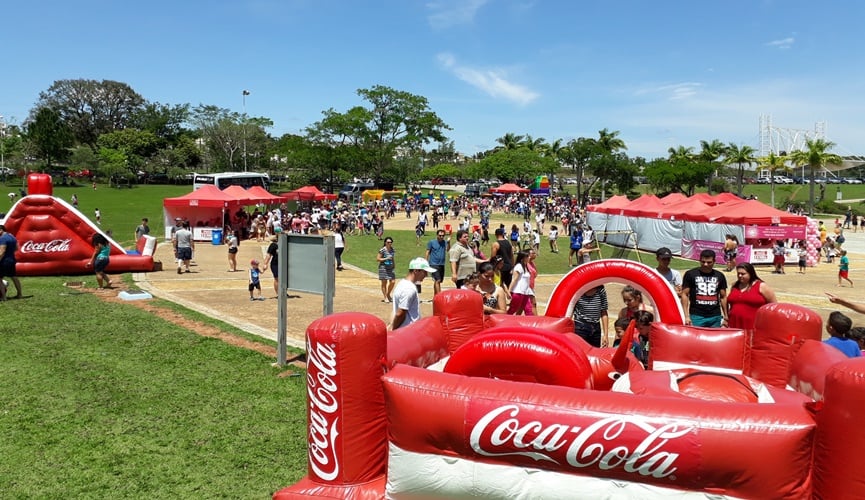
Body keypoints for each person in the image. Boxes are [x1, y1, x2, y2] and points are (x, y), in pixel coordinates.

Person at [681, 249, 728, 327]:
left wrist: (726, 316)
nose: (705, 264)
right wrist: (686, 316)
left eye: (709, 262)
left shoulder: (720, 276)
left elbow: (723, 297)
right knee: (695, 338)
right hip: (696, 315)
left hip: (715, 316)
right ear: (699, 260)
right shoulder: (690, 274)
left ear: (714, 261)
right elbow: (684, 294)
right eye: (703, 262)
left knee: (714, 338)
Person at [727, 262, 777, 330]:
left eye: (743, 274)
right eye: (738, 273)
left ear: (750, 273)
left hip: (754, 325)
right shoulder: (734, 285)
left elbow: (774, 305)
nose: (740, 276)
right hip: (734, 323)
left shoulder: (761, 286)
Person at [391, 257, 436, 330]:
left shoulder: (401, 284)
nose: (426, 275)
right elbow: (400, 313)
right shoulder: (409, 289)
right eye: (424, 272)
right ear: (416, 271)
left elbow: (396, 311)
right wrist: (393, 328)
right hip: (408, 332)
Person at [507, 250, 534, 315]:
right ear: (523, 258)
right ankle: (504, 321)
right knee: (513, 309)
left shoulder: (526, 267)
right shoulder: (519, 266)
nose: (529, 257)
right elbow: (514, 280)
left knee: (529, 310)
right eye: (527, 256)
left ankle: (530, 324)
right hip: (518, 292)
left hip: (525, 292)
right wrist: (509, 291)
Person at [425, 229, 450, 296]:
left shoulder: (444, 242)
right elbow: (427, 252)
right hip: (433, 264)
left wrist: (448, 242)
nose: (441, 237)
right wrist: (425, 262)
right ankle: (439, 297)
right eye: (440, 235)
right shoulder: (432, 242)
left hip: (442, 264)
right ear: (437, 235)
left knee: (437, 281)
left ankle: (435, 296)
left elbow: (448, 250)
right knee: (438, 280)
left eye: (443, 235)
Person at [0, 224, 22, 300]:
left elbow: (2, 251)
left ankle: (4, 297)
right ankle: (19, 294)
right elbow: (16, 248)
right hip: (11, 260)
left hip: (3, 261)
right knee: (14, 277)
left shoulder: (2, 239)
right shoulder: (12, 237)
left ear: (1, 230)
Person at [377, 237, 396, 302]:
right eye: (388, 242)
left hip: (390, 268)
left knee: (393, 282)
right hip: (383, 268)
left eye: (391, 242)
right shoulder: (382, 250)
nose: (389, 243)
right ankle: (385, 297)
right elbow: (378, 259)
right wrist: (386, 258)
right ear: (385, 243)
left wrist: (394, 264)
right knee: (384, 282)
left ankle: (388, 294)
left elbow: (392, 258)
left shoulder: (392, 249)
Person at [262, 229, 281, 296]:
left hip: (284, 264)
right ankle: (278, 294)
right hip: (275, 264)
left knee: (283, 279)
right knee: (277, 278)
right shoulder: (273, 245)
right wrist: (265, 264)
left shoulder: (285, 244)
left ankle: (283, 292)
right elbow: (268, 255)